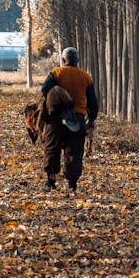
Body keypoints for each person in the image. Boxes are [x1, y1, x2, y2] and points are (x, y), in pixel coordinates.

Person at [40, 46, 98, 192]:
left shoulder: (56, 72)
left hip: (56, 118)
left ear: (63, 59)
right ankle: (72, 184)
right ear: (77, 60)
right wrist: (91, 119)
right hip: (77, 119)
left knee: (52, 147)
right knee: (74, 150)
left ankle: (51, 181)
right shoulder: (86, 77)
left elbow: (45, 90)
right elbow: (93, 102)